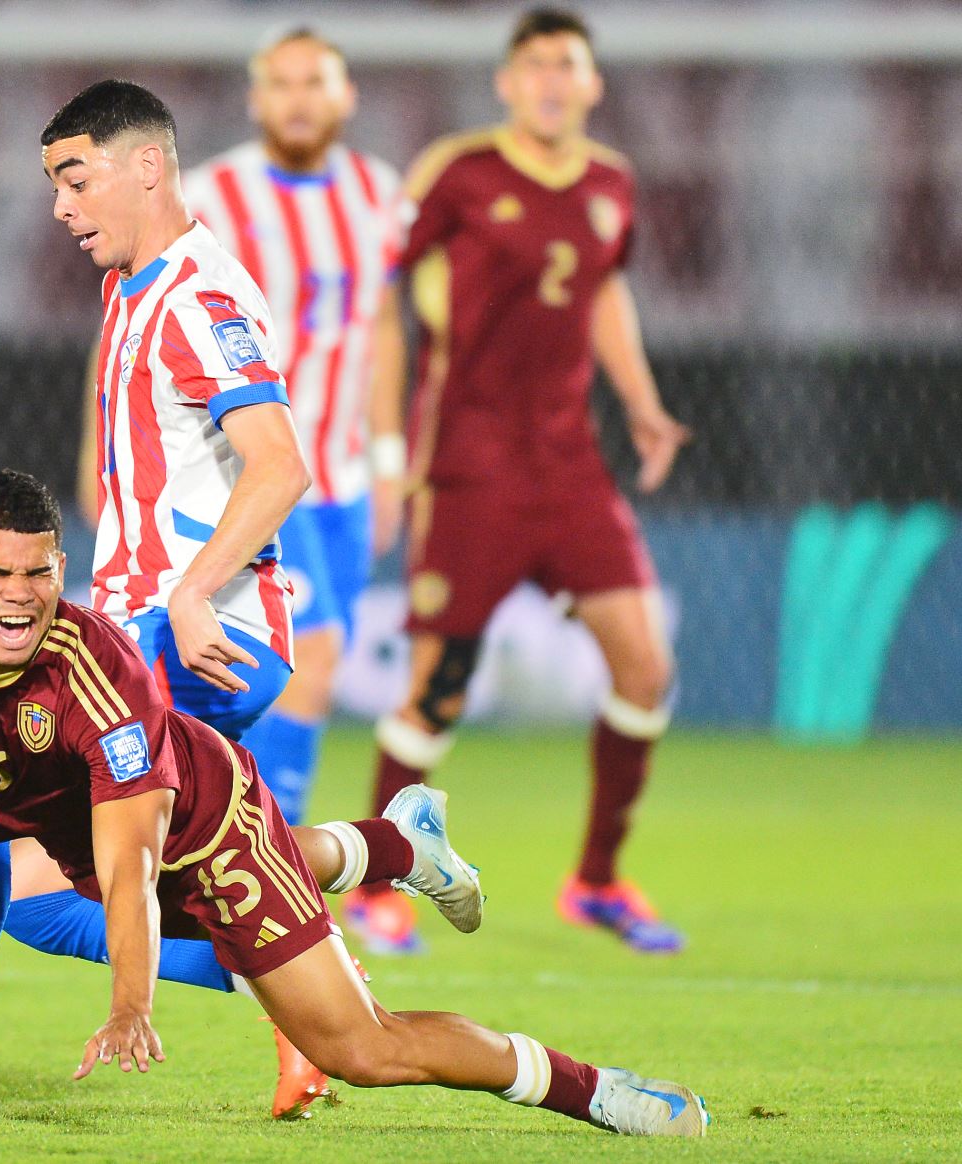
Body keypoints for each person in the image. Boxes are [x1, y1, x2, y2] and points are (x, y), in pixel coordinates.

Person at [0, 469, 707, 1138]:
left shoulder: (95, 672)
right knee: (32, 901)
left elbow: (133, 866)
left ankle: (595, 1091)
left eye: (37, 574)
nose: (19, 596)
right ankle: (395, 848)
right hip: (105, 843)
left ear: (60, 569)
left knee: (366, 1049)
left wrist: (130, 1005)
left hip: (206, 835)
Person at [0, 80, 322, 1119]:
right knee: (47, 904)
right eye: (53, 182)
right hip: (138, 626)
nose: (59, 206)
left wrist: (191, 593)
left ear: (147, 166)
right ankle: (316, 978)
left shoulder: (200, 300)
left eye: (74, 177)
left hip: (198, 634)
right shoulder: (132, 287)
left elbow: (280, 467)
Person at [355, 7, 694, 955]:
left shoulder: (611, 185)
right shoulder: (457, 173)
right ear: (506, 83)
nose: (551, 80)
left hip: (571, 465)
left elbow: (605, 294)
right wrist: (385, 444)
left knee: (646, 665)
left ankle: (595, 881)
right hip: (467, 464)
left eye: (568, 66)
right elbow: (383, 298)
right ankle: (378, 884)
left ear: (592, 84)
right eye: (535, 65)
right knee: (440, 686)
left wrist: (641, 400)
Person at [159, 28, 405, 830]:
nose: (299, 99)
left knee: (298, 671)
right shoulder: (214, 194)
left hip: (347, 480)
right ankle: (274, 852)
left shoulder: (378, 193)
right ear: (256, 98)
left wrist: (392, 457)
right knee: (314, 655)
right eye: (282, 83)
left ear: (345, 96)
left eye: (315, 82)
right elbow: (149, 300)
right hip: (256, 465)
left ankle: (232, 836)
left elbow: (384, 328)